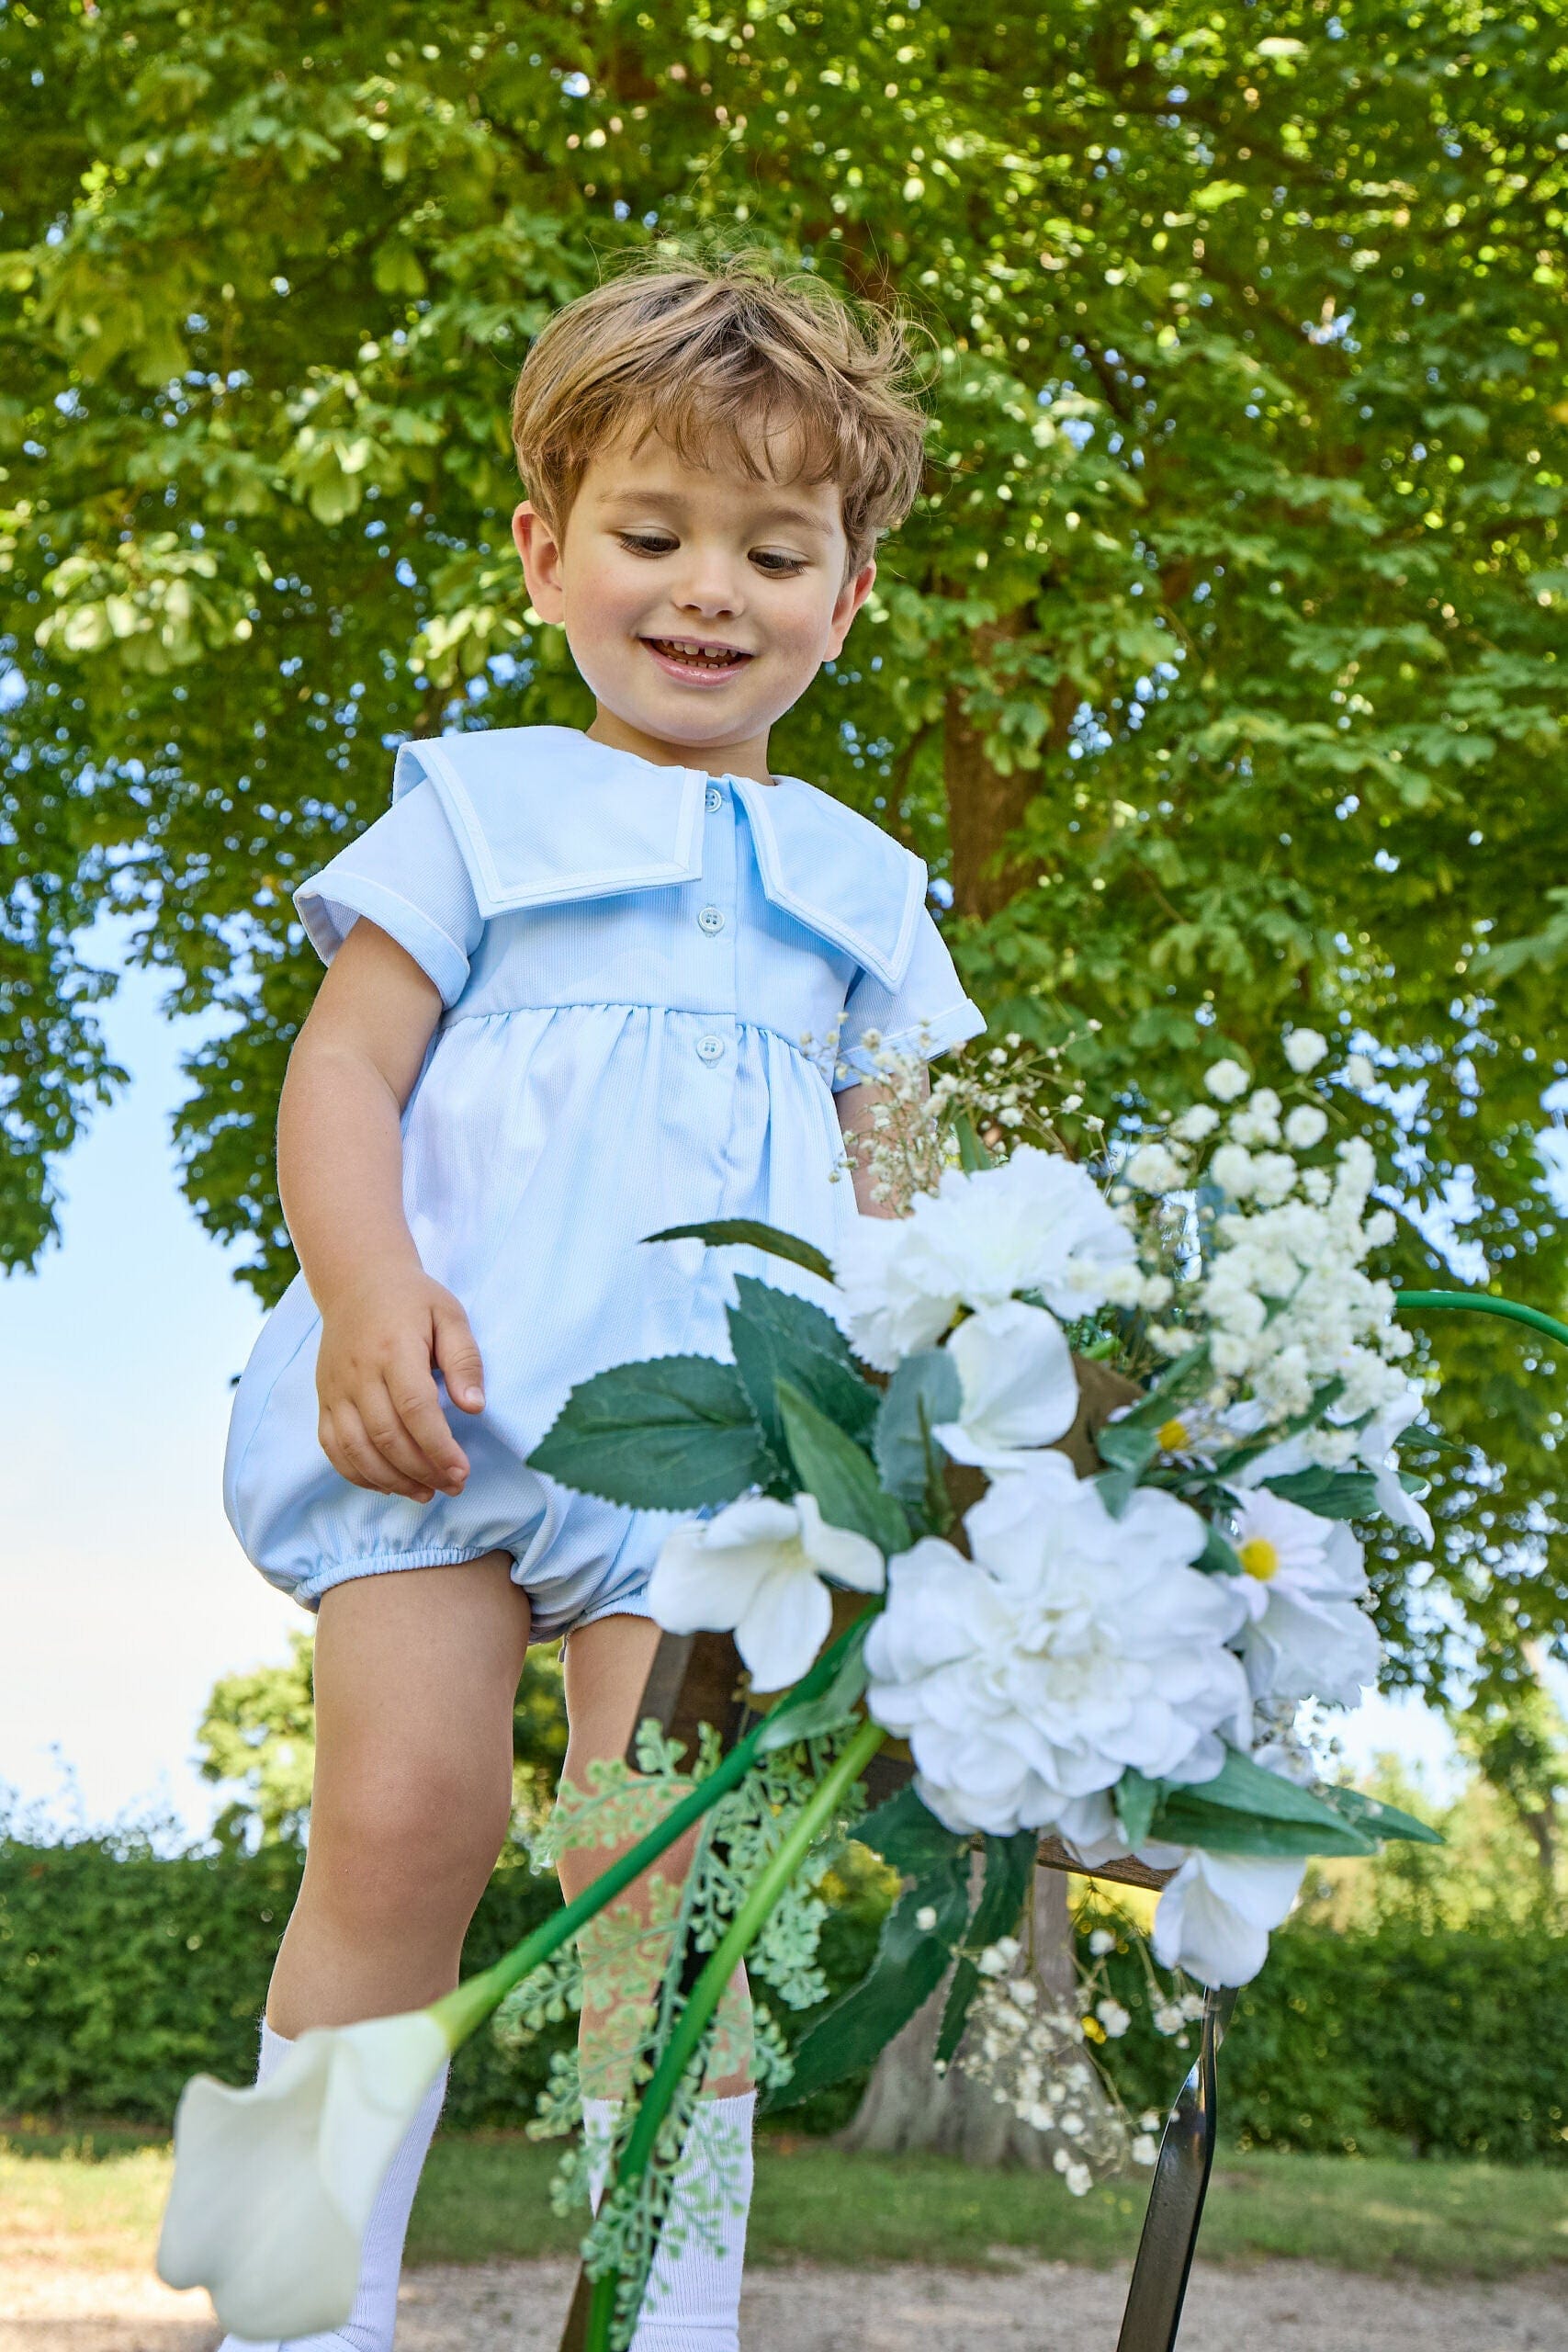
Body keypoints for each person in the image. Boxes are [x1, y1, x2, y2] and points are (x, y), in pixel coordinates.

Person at [219, 250, 985, 2351]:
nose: (705, 588)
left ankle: (671, 2314)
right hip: (447, 1412)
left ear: (845, 596)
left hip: (728, 1470)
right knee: (399, 1824)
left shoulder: (863, 887)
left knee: (668, 1890)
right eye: (652, 534)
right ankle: (296, 2306)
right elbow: (344, 1066)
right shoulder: (478, 803)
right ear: (550, 553)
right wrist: (361, 1282)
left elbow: (907, 1199)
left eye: (771, 547)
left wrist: (936, 1446)